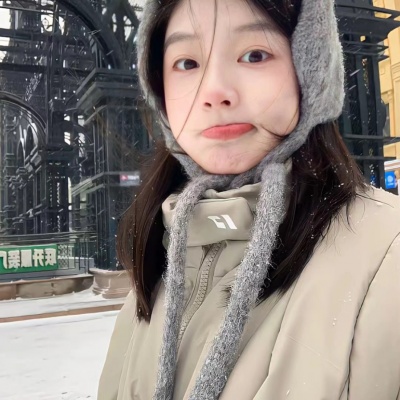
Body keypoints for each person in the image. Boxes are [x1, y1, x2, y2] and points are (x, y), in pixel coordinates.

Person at [98, 0, 400, 399]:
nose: (214, 92)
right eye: (187, 63)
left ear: (311, 69)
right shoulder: (160, 257)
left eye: (254, 55)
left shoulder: (387, 256)